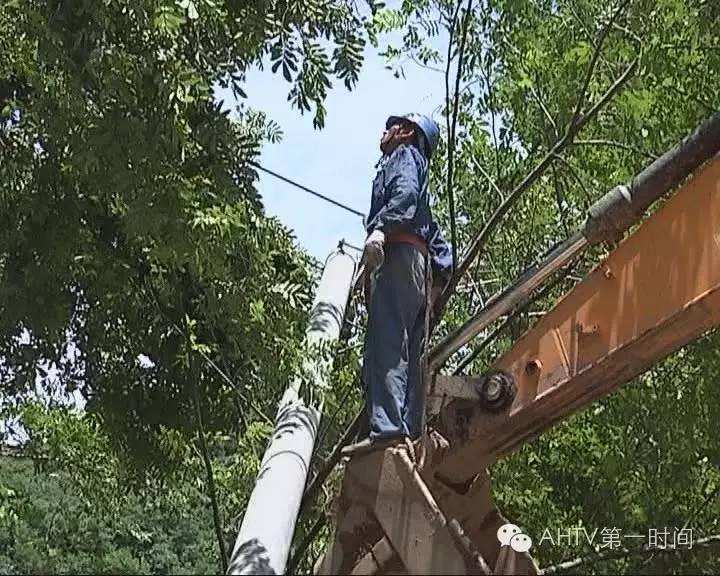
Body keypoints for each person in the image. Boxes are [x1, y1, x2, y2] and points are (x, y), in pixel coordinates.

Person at [343, 113, 452, 456]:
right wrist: (437, 286)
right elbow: (440, 246)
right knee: (411, 350)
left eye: (391, 126)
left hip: (398, 255)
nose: (384, 131)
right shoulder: (422, 180)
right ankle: (409, 432)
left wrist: (381, 229)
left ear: (406, 132)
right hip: (418, 268)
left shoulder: (403, 158)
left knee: (387, 343)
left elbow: (401, 199)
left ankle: (388, 429)